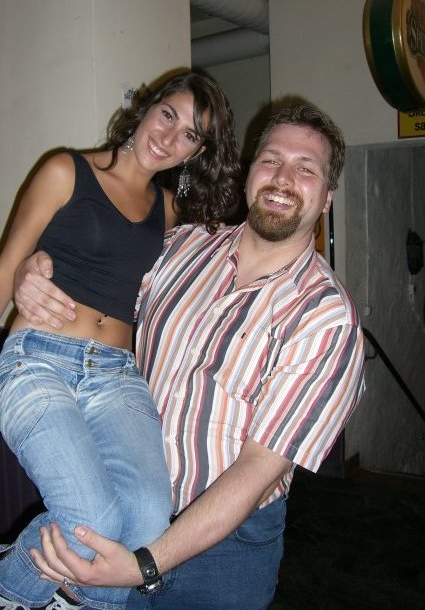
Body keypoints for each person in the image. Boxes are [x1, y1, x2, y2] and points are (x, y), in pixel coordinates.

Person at [15, 101, 365, 610]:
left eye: (305, 168)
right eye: (270, 160)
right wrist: (34, 271)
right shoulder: (178, 247)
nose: (283, 178)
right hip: (129, 509)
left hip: (228, 554)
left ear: (327, 197)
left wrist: (146, 563)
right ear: (249, 173)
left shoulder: (327, 318)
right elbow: (95, 293)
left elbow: (258, 469)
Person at [0, 70, 241, 610]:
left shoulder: (170, 210)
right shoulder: (66, 170)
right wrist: (21, 277)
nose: (169, 137)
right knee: (89, 518)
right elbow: (6, 270)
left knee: (147, 521)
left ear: (196, 152)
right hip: (38, 358)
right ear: (146, 108)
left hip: (116, 375)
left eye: (189, 135)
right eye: (168, 115)